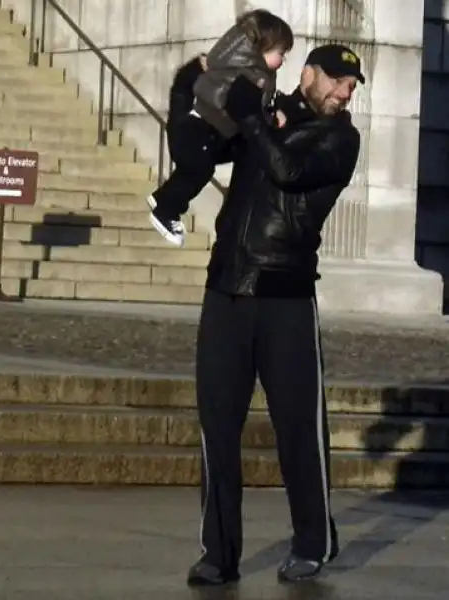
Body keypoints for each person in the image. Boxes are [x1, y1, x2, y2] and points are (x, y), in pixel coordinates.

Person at [187, 43, 364, 587]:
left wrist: (253, 119)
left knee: (298, 429)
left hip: (285, 295)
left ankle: (313, 541)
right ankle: (219, 554)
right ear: (308, 73)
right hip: (225, 288)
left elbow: (287, 170)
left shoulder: (340, 138)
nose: (343, 93)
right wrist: (199, 88)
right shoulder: (267, 113)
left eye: (351, 86)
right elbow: (203, 150)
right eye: (335, 80)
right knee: (218, 427)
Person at [147, 9, 293, 247]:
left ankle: (162, 198)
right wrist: (268, 117)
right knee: (200, 169)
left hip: (214, 131)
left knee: (224, 157)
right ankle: (165, 209)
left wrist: (271, 112)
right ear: (261, 48)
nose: (283, 60)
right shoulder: (247, 71)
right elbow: (240, 105)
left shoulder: (256, 72)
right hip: (199, 127)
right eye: (281, 53)